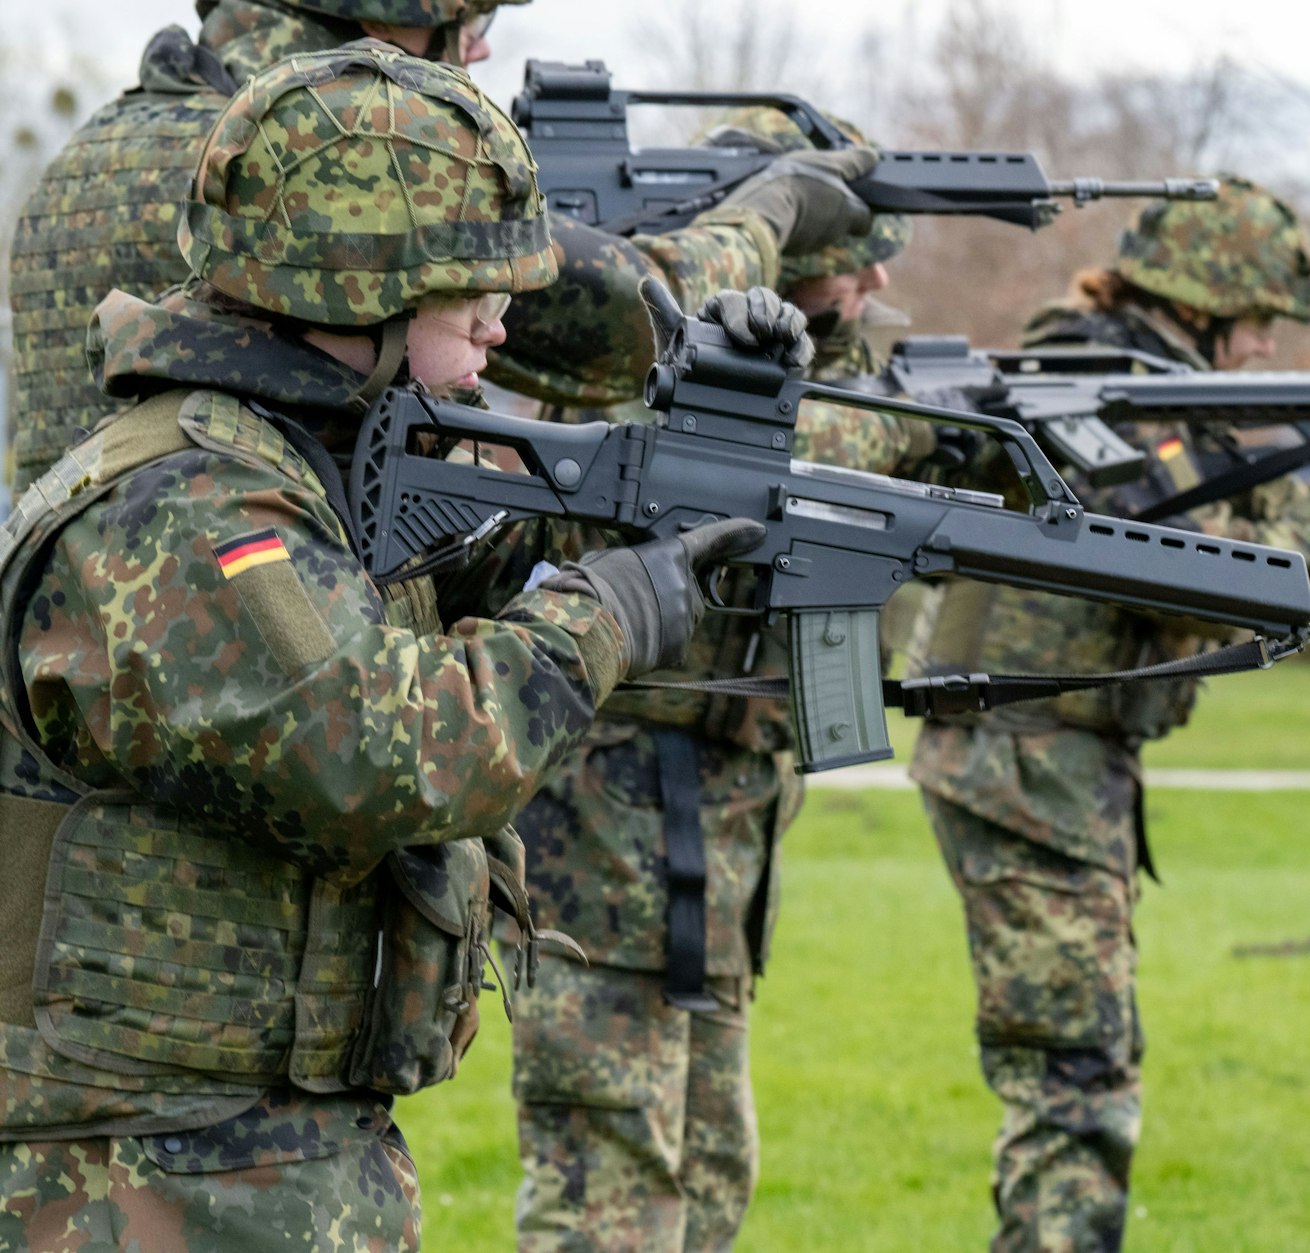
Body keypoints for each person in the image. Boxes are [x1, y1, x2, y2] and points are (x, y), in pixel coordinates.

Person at [0, 45, 784, 1250]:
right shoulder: (183, 505)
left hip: (244, 1151)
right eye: (467, 297)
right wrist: (610, 610)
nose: (500, 326)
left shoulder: (292, 467)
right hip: (143, 1172)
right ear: (349, 292)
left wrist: (672, 460)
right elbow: (382, 749)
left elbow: (453, 564)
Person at [906, 177, 1310, 1253]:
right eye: (1252, 325)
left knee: (1082, 1057)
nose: (1256, 350)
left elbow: (1227, 518)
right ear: (1201, 301)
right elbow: (1194, 571)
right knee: (1074, 1071)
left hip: (1048, 753)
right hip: (1025, 756)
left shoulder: (1136, 377)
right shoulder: (1096, 382)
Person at [507, 105, 934, 1253]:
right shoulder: (649, 376)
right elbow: (809, 460)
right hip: (607, 836)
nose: (877, 278)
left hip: (721, 837)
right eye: (851, 259)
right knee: (609, 1178)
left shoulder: (838, 378)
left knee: (708, 1169)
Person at [7, 0, 877, 492]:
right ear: (386, 29)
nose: (484, 44)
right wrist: (775, 213)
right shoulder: (344, 176)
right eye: (468, 18)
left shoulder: (94, 152)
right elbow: (634, 323)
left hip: (105, 688)